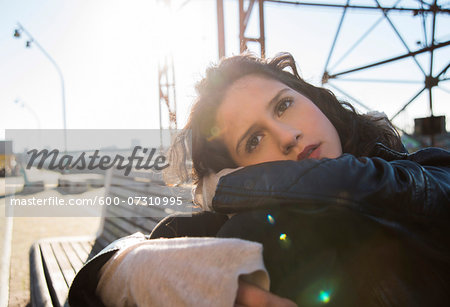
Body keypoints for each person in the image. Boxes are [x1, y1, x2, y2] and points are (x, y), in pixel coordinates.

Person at [69, 53, 449, 306]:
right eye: (253, 140)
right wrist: (127, 269)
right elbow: (128, 256)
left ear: (315, 99)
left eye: (284, 105)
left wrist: (227, 188)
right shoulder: (257, 229)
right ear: (236, 166)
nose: (286, 136)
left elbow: (362, 183)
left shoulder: (427, 171)